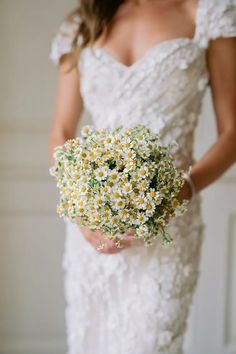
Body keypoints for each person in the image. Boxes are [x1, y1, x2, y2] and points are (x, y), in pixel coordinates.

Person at [48, 0, 236, 353]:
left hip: (169, 227)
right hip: (92, 230)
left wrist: (181, 191)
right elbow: (61, 132)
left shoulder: (206, 13)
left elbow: (233, 133)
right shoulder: (82, 23)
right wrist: (83, 211)